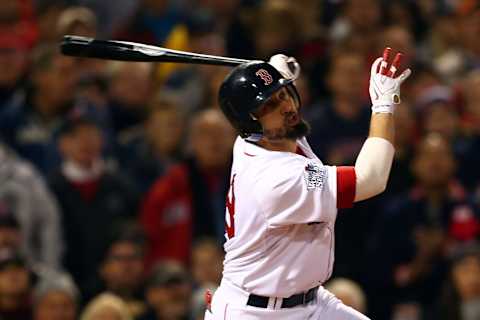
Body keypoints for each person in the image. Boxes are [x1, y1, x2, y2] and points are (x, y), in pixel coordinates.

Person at [205, 49, 411, 320]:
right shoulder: (277, 179)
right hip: (254, 313)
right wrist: (384, 104)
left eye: (283, 94)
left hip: (309, 302)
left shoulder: (263, 138)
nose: (286, 107)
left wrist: (276, 71)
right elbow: (370, 178)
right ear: (250, 121)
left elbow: (275, 92)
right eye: (269, 105)